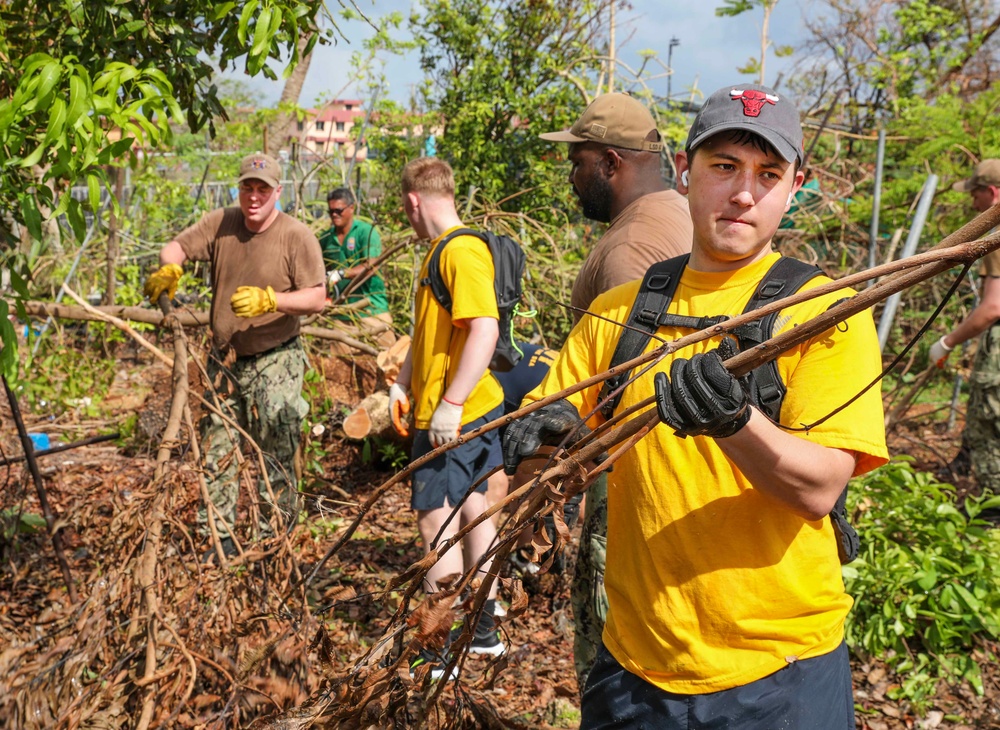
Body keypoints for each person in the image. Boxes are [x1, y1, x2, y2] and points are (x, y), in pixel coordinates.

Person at [504, 84, 888, 728]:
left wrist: (734, 423)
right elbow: (547, 467)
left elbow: (822, 487)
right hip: (634, 665)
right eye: (724, 167)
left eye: (769, 173)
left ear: (797, 186)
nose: (744, 193)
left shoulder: (824, 313)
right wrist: (547, 442)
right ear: (684, 173)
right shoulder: (621, 312)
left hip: (780, 673)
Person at [538, 91, 694, 689]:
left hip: (633, 474)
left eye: (576, 163)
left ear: (609, 163)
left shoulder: (631, 249)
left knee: (615, 652)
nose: (571, 178)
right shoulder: (679, 212)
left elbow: (630, 380)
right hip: (678, 470)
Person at [143, 152, 326, 554]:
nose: (254, 196)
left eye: (263, 189)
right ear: (239, 189)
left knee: (274, 455)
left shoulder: (296, 236)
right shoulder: (222, 222)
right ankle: (219, 539)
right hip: (223, 361)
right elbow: (176, 247)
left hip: (274, 359)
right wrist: (170, 268)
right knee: (218, 453)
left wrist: (271, 300)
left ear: (278, 191)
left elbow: (317, 298)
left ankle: (273, 543)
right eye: (247, 187)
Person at [389, 157, 507, 678]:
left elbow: (484, 329)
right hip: (465, 408)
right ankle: (483, 632)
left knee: (435, 520)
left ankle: (439, 649)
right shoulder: (438, 253)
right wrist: (402, 379)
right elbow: (428, 331)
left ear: (414, 201)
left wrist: (450, 404)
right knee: (476, 508)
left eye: (404, 209)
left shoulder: (460, 251)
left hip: (457, 414)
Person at [931, 159, 1000, 502]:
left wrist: (947, 341)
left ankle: (991, 510)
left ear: (992, 193)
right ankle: (964, 464)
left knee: (990, 418)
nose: (972, 204)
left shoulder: (996, 239)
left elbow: (992, 308)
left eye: (975, 194)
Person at [319, 187, 395, 348]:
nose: (334, 215)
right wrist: (325, 298)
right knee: (338, 366)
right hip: (343, 314)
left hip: (372, 310)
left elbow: (371, 267)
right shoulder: (326, 238)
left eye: (338, 210)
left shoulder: (365, 232)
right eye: (331, 211)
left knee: (390, 362)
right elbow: (321, 272)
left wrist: (342, 274)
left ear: (352, 208)